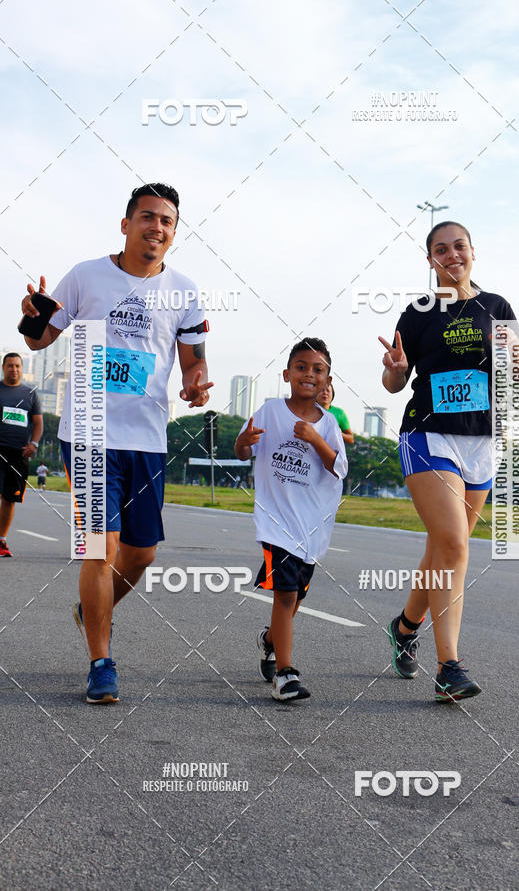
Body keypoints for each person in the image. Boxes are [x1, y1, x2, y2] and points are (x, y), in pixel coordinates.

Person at [21, 183, 213, 704]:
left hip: (146, 437)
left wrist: (195, 382)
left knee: (141, 553)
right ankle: (101, 661)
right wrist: (34, 314)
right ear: (126, 224)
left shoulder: (185, 292)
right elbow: (39, 339)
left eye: (167, 221)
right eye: (147, 217)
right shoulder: (86, 275)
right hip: (86, 432)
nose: (157, 227)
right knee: (99, 549)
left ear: (174, 233)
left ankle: (92, 609)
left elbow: (194, 359)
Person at [379, 221, 519, 702]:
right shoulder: (419, 312)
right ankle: (450, 666)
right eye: (440, 250)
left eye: (458, 247)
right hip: (427, 437)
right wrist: (397, 371)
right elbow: (393, 383)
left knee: (444, 549)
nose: (451, 255)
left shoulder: (497, 307)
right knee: (453, 546)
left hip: (481, 442)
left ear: (472, 252)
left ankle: (405, 627)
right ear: (430, 260)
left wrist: (516, 356)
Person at [235, 338, 348, 701]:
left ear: (327, 381)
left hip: (310, 527)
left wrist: (315, 438)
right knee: (284, 595)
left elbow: (339, 467)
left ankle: (270, 640)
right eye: (301, 367)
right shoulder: (269, 411)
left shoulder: (329, 424)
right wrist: (245, 441)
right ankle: (285, 674)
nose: (309, 375)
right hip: (276, 523)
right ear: (287, 374)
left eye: (318, 370)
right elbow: (241, 450)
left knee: (295, 596)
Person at [0, 353, 43, 557]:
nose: (13, 369)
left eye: (17, 366)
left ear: (22, 368)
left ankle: (1, 540)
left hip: (18, 454)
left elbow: (38, 423)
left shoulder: (30, 393)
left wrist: (33, 444)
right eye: (10, 366)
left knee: (9, 499)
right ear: (3, 367)